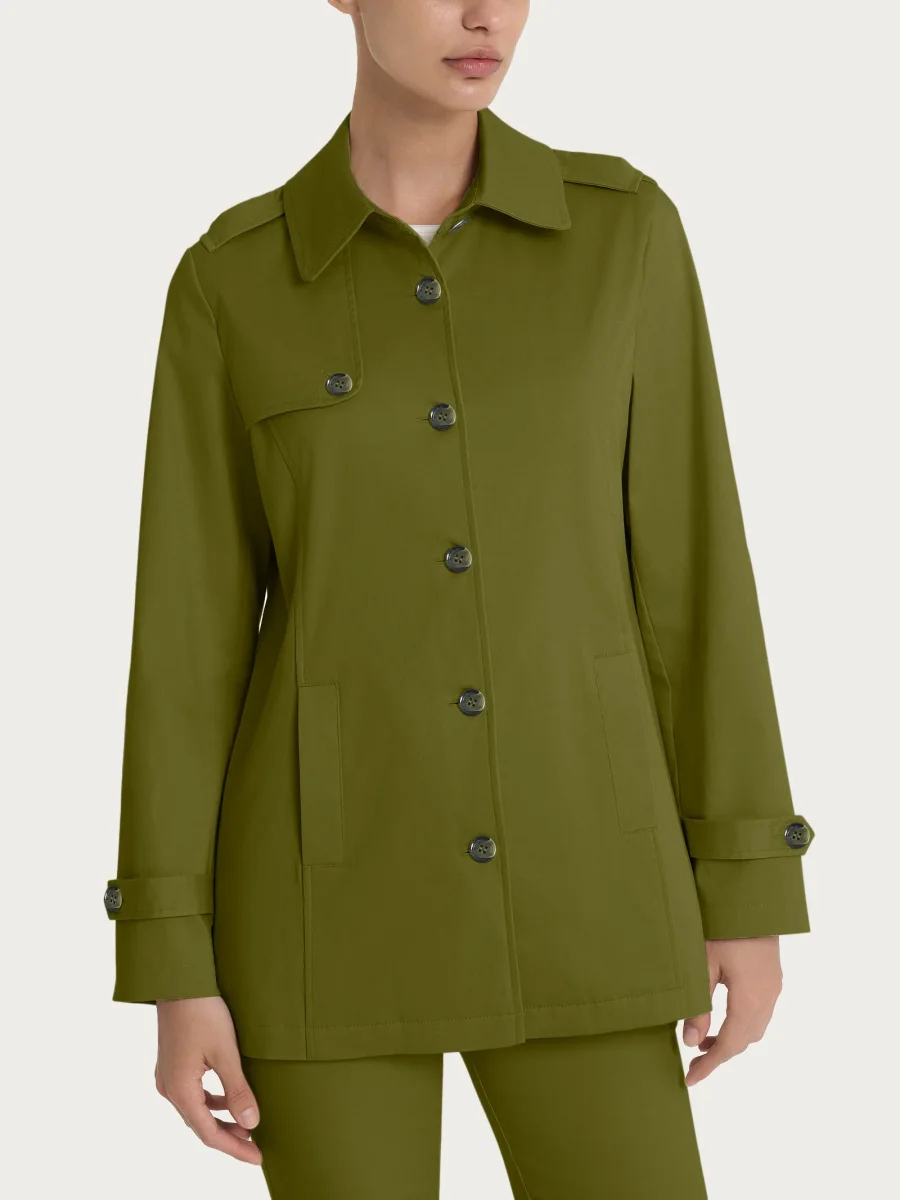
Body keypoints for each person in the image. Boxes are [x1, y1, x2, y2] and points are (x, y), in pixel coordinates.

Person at [103, 1, 816, 1196]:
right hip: (320, 906)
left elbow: (696, 580)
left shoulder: (622, 233)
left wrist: (747, 879)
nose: (485, 14)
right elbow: (187, 647)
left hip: (587, 877)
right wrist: (174, 960)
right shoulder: (233, 279)